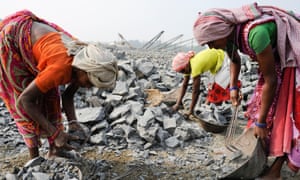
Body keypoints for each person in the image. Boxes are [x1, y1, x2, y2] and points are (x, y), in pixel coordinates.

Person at [193, 2, 300, 179]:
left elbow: (271, 80)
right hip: (277, 66)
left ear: (220, 32)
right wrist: (233, 87)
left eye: (211, 42)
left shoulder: (255, 34)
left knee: (287, 114)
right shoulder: (230, 38)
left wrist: (261, 122)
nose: (211, 48)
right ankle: (260, 158)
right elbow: (234, 60)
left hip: (293, 61)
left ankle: (276, 171)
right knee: (261, 110)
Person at [0, 10, 119, 160]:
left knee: (52, 98)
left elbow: (67, 95)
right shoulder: (62, 67)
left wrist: (73, 123)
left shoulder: (83, 62)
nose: (88, 87)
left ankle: (55, 151)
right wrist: (55, 133)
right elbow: (24, 101)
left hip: (44, 45)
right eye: (89, 82)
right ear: (82, 69)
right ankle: (34, 158)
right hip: (13, 39)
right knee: (24, 95)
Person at [171, 48, 240, 116]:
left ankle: (218, 114)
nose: (184, 73)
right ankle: (207, 111)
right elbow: (184, 85)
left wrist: (191, 110)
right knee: (211, 89)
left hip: (225, 61)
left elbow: (196, 91)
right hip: (216, 65)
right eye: (181, 72)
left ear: (186, 64)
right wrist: (178, 103)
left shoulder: (195, 65)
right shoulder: (188, 66)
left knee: (217, 91)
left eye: (183, 70)